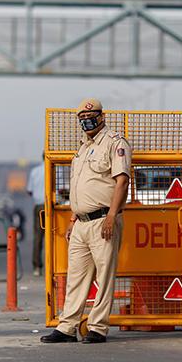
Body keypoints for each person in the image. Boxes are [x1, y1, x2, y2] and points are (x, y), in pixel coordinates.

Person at [40, 98, 131, 344]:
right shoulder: (81, 148)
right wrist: (72, 219)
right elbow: (79, 188)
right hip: (80, 223)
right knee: (76, 276)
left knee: (104, 277)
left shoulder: (114, 143)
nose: (86, 120)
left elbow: (122, 181)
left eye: (91, 115)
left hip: (104, 220)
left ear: (102, 116)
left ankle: (98, 327)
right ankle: (67, 327)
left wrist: (112, 216)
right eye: (81, 117)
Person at [27, 153, 45, 276]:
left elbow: (30, 190)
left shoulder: (35, 172)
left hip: (39, 206)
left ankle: (37, 267)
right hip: (54, 207)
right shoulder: (56, 169)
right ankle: (56, 263)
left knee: (38, 237)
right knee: (56, 235)